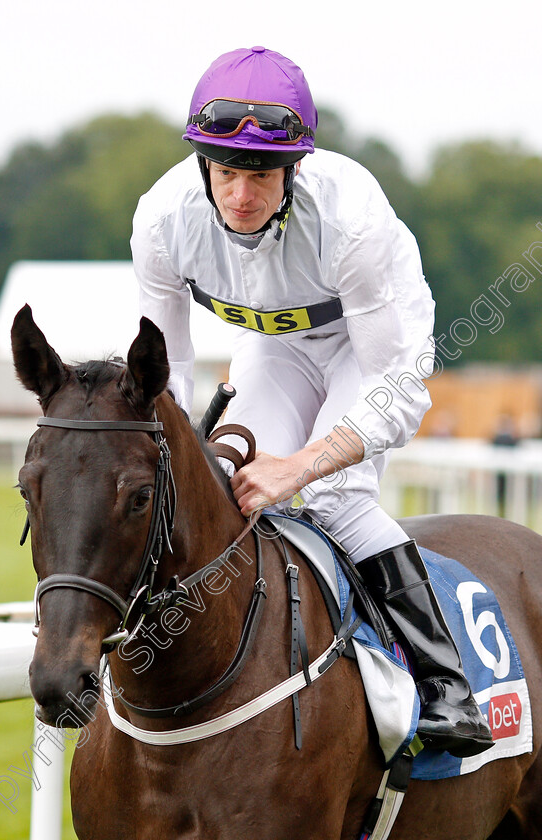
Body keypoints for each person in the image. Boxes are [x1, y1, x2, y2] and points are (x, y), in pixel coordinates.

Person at [131, 46, 493, 758]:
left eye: (261, 175)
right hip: (277, 341)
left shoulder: (351, 217)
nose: (240, 196)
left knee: (326, 496)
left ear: (295, 167)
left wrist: (299, 467)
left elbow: (396, 396)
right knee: (231, 491)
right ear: (202, 162)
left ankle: (447, 683)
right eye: (226, 171)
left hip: (375, 349)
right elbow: (167, 374)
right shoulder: (160, 221)